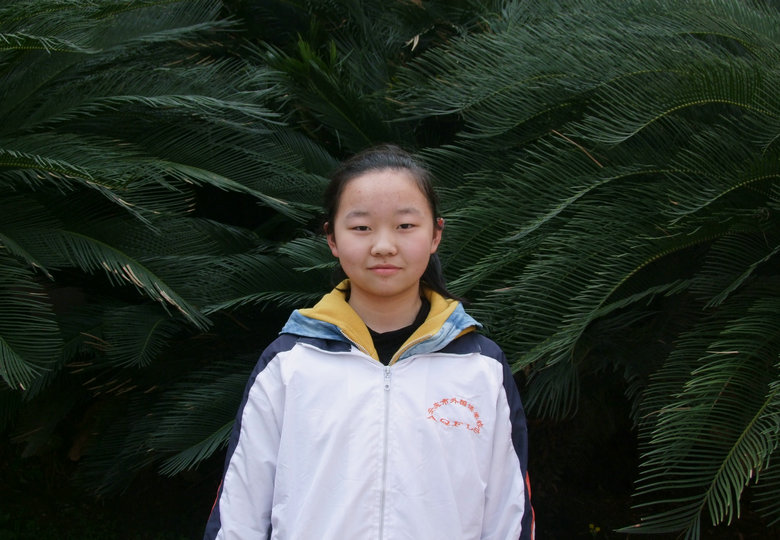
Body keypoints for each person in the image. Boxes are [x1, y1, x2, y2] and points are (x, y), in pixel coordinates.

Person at [203, 144, 534, 539]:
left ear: (435, 234)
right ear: (332, 238)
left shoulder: (480, 367)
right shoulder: (290, 364)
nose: (383, 246)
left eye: (405, 226)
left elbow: (508, 515)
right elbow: (239, 513)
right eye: (361, 227)